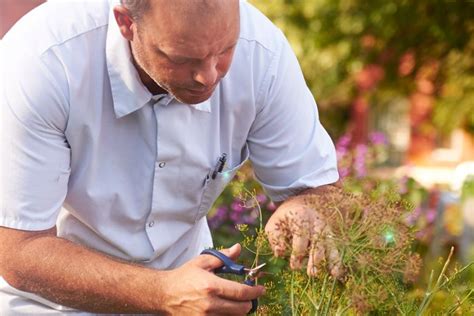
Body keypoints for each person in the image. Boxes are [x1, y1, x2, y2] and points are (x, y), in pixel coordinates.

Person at [0, 0, 341, 314]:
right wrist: (162, 292)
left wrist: (305, 204)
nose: (209, 76)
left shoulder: (263, 54)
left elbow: (314, 189)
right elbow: (18, 249)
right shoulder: (41, 64)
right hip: (47, 303)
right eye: (182, 58)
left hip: (188, 294)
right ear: (126, 23)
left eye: (225, 50)